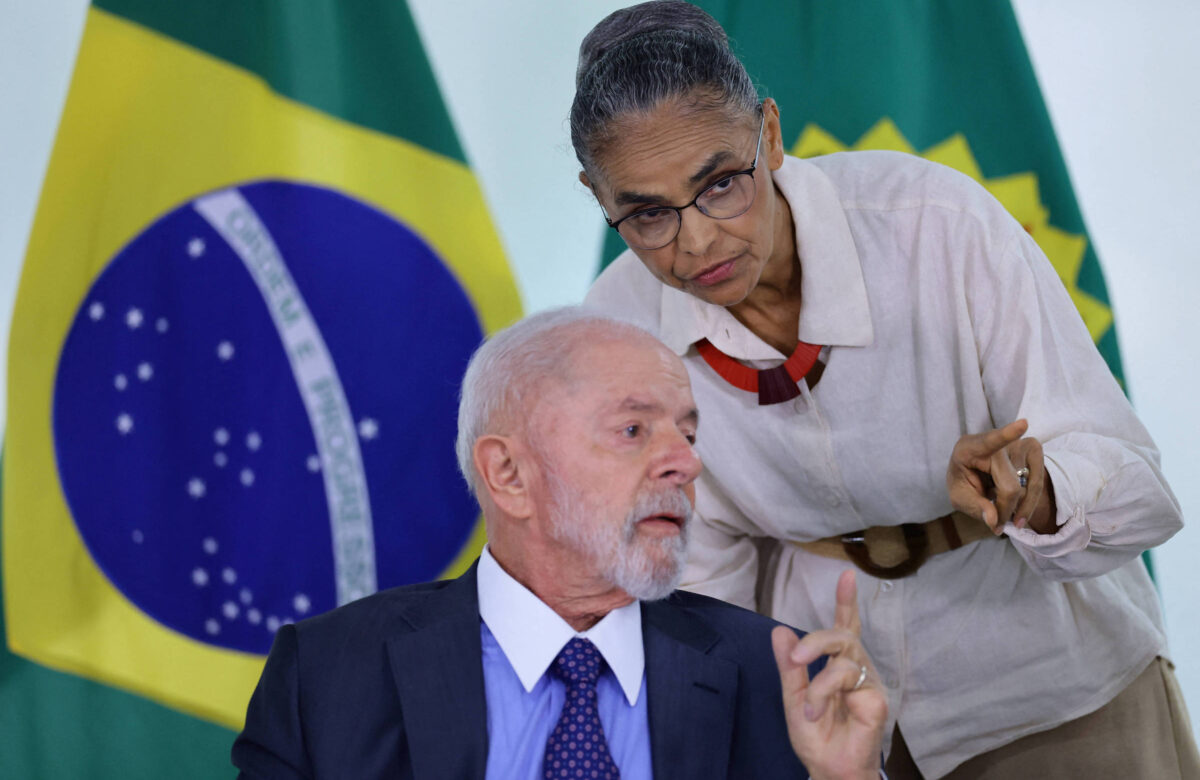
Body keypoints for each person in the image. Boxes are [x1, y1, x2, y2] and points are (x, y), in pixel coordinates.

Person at [574, 2, 1197, 778]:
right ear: (600, 199)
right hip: (830, 719)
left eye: (722, 185)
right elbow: (695, 583)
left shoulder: (933, 220)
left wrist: (1034, 491)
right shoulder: (616, 326)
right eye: (645, 215)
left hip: (1054, 691)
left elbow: (1138, 485)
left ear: (768, 134)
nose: (695, 241)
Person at [231, 307, 889, 780]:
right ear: (509, 475)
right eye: (633, 430)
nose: (683, 464)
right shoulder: (329, 675)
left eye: (687, 434)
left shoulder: (781, 678)